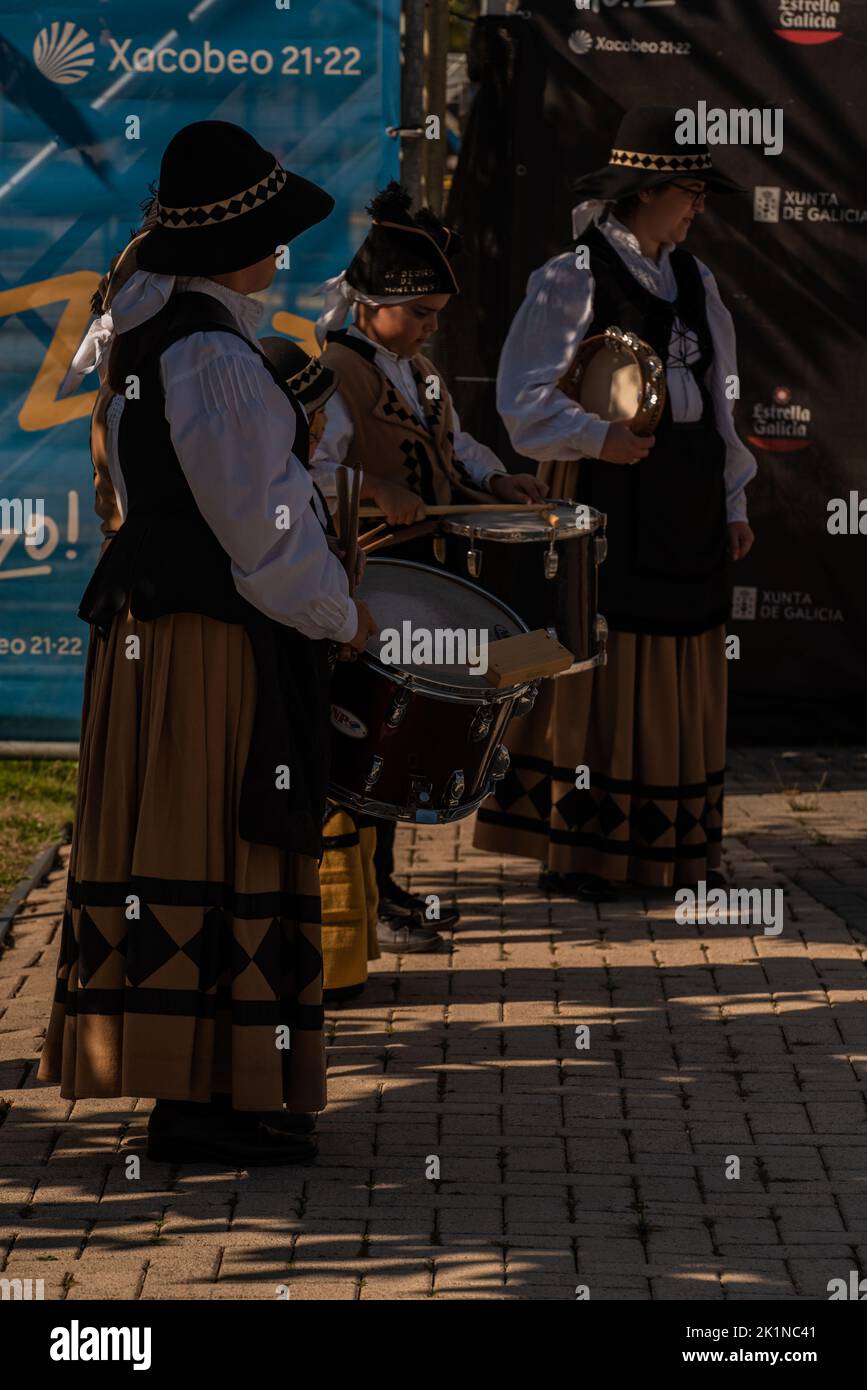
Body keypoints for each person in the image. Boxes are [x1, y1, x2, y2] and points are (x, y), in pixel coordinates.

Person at [37, 120, 377, 1166]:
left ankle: (218, 1084)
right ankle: (198, 1098)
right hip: (204, 650)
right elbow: (261, 533)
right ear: (234, 242)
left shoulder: (158, 330)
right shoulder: (213, 357)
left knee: (199, 843)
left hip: (170, 635)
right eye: (271, 234)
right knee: (214, 840)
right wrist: (342, 614)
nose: (282, 254)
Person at [475, 106, 756, 901]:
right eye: (689, 191)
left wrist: (733, 495)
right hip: (608, 492)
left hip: (687, 492)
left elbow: (719, 397)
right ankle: (592, 852)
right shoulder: (573, 276)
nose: (697, 206)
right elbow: (520, 402)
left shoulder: (693, 279)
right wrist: (599, 439)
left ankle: (672, 847)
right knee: (606, 655)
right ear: (644, 192)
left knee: (679, 655)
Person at [313, 182, 547, 950]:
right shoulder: (334, 372)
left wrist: (495, 480)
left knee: (395, 735)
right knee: (362, 741)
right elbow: (307, 468)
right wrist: (372, 487)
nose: (425, 330)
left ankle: (379, 887)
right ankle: (350, 899)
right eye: (417, 315)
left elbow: (454, 442)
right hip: (366, 578)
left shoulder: (418, 371)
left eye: (435, 319)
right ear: (372, 302)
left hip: (422, 571)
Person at [259, 335, 380, 1003]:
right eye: (315, 414)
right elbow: (284, 580)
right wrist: (345, 617)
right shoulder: (267, 490)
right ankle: (311, 968)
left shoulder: (301, 483)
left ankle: (336, 963)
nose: (326, 427)